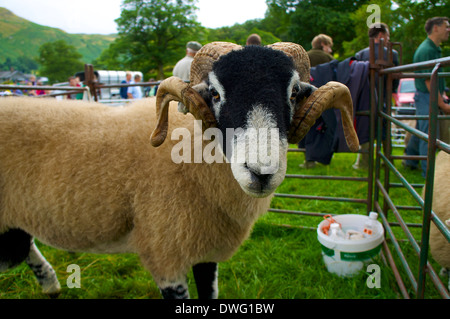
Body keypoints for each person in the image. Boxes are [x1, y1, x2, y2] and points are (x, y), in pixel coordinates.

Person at [404, 17, 450, 178]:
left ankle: (410, 161)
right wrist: (442, 105)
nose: (449, 30)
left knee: (421, 129)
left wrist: (442, 95)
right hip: (426, 95)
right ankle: (428, 173)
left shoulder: (434, 48)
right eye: (446, 27)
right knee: (429, 133)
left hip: (428, 95)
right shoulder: (427, 50)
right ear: (436, 28)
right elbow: (430, 80)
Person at [352, 22, 399, 170]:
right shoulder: (393, 54)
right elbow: (396, 78)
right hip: (384, 98)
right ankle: (387, 160)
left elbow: (356, 77)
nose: (388, 38)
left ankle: (364, 163)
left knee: (366, 130)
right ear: (381, 35)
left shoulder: (360, 54)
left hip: (365, 100)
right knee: (385, 131)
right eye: (387, 35)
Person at [299, 34, 334, 169]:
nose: (330, 50)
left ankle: (308, 160)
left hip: (305, 99)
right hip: (325, 100)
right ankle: (323, 156)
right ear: (323, 45)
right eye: (329, 46)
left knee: (306, 129)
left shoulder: (304, 57)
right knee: (324, 129)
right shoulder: (329, 59)